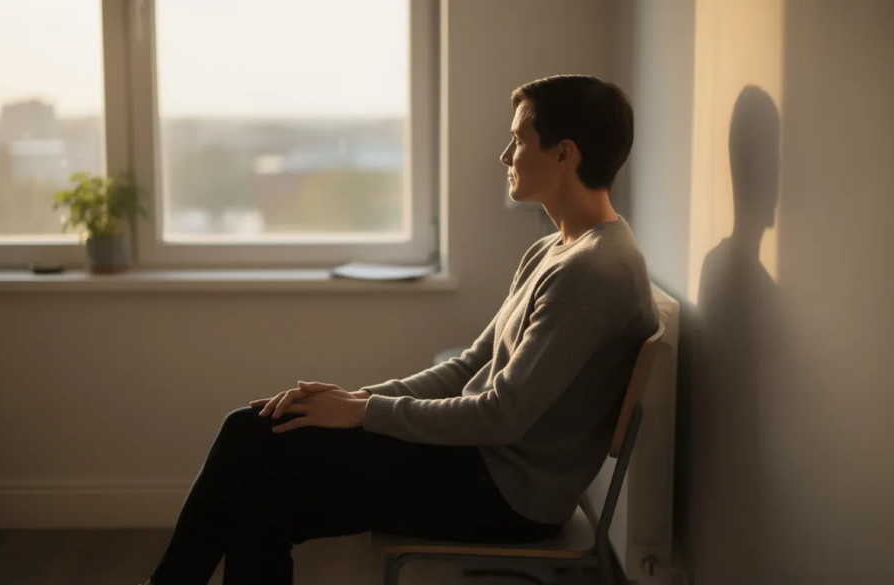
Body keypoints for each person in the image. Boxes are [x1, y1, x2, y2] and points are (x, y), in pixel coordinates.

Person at [143, 74, 658, 585]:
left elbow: (503, 416)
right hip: (481, 468)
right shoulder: (556, 250)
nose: (505, 156)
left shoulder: (589, 273)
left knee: (248, 431)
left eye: (519, 140)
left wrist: (364, 413)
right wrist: (358, 399)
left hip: (504, 495)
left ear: (564, 154)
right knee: (259, 503)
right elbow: (470, 364)